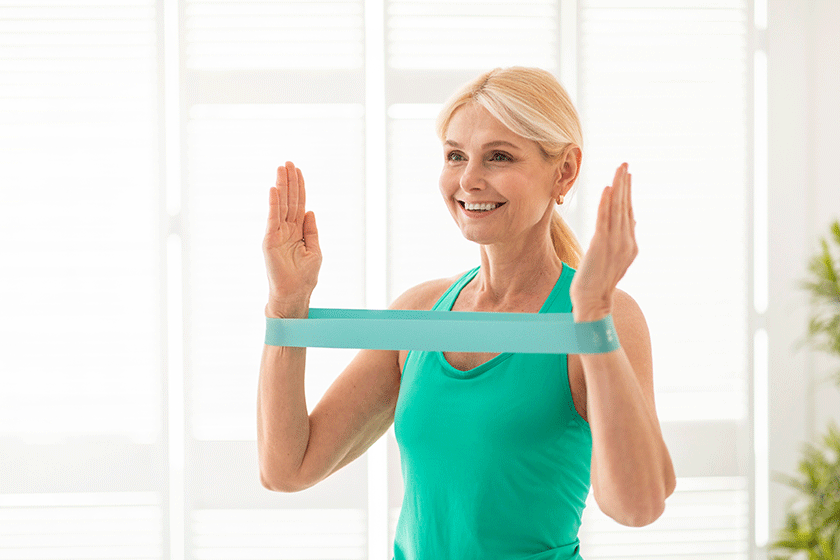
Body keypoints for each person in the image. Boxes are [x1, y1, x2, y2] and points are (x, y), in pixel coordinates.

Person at [258, 66, 676, 559]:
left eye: (498, 157)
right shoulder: (421, 311)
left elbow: (637, 506)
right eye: (455, 156)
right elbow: (288, 468)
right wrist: (286, 306)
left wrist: (591, 315)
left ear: (563, 172)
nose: (469, 180)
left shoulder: (603, 317)